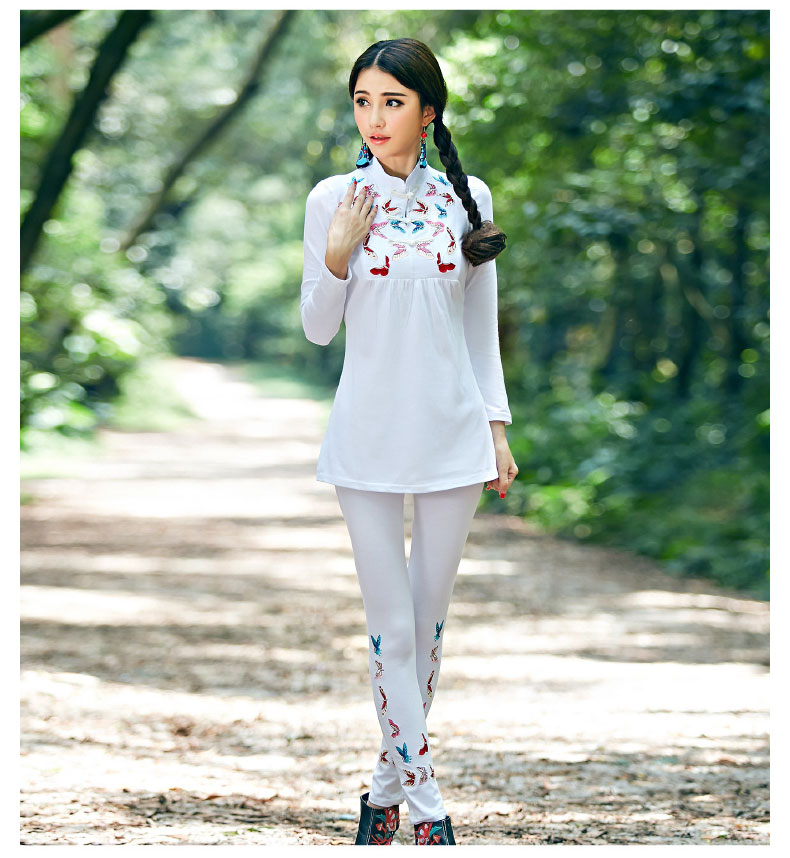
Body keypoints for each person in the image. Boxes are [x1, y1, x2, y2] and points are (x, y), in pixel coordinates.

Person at [300, 38, 517, 845]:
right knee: (391, 628)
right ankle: (426, 808)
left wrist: (496, 429)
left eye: (392, 101)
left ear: (429, 112)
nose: (375, 117)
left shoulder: (468, 196)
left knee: (427, 630)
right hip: (366, 436)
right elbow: (317, 329)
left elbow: (479, 331)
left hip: (453, 435)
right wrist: (336, 254)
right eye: (363, 101)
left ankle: (384, 792)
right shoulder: (334, 198)